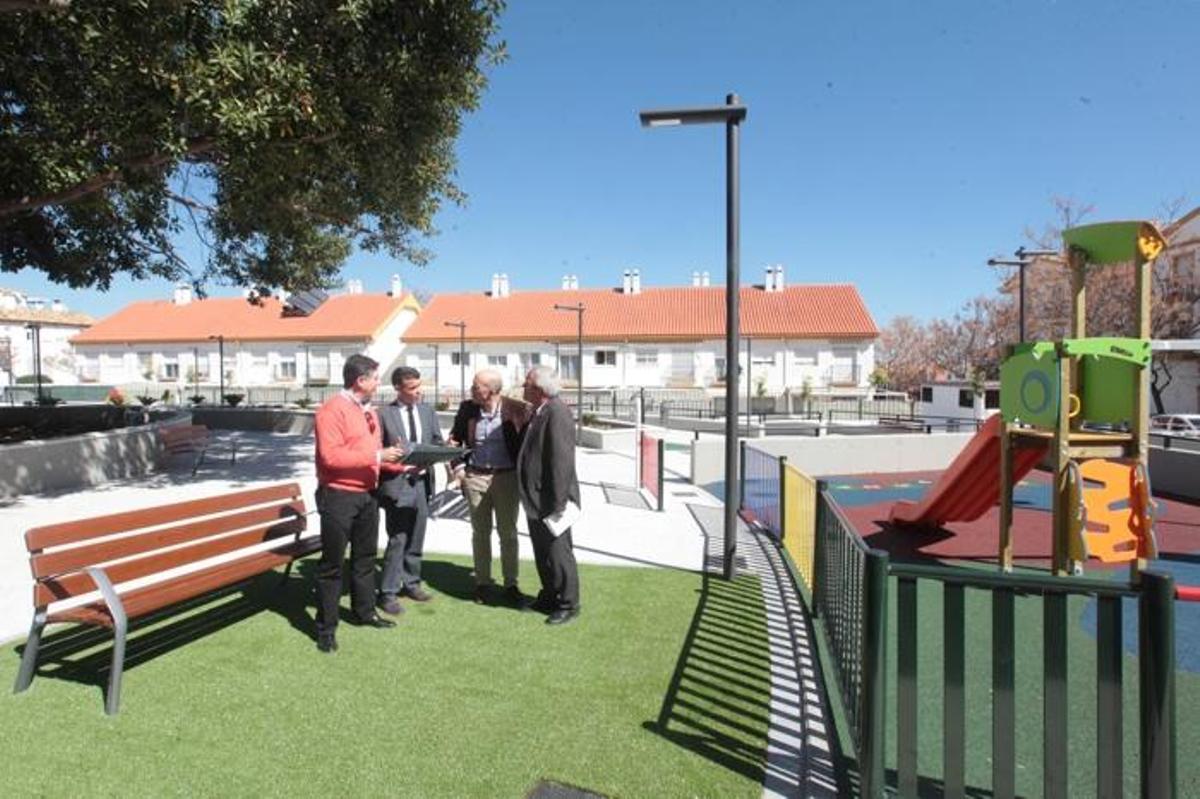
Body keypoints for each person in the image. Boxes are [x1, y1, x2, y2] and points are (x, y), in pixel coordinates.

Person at [313, 354, 403, 653]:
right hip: (338, 496)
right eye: (375, 378)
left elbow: (369, 456)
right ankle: (326, 628)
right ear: (360, 380)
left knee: (365, 558)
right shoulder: (331, 410)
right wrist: (378, 456)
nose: (379, 383)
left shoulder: (368, 411)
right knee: (332, 565)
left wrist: (401, 462)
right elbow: (331, 457)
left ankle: (364, 612)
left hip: (367, 495)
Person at [447, 368, 532, 606]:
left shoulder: (515, 409)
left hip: (506, 478)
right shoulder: (468, 409)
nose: (471, 390)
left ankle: (511, 584)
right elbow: (454, 440)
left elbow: (526, 443)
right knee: (480, 533)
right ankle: (483, 583)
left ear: (492, 390)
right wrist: (459, 469)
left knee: (508, 533)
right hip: (475, 477)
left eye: (476, 387)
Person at [516, 366, 581, 625]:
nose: (523, 387)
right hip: (536, 497)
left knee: (558, 553)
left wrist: (558, 502)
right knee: (542, 551)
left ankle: (568, 603)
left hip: (551, 500)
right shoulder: (540, 411)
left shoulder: (557, 412)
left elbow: (561, 461)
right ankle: (549, 595)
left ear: (539, 389)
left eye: (526, 384)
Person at [376, 366, 443, 613]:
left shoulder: (427, 411)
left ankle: (412, 583)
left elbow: (436, 441)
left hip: (422, 483)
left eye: (419, 386)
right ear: (398, 388)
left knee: (417, 535)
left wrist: (445, 448)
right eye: (412, 388)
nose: (418, 391)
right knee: (398, 538)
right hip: (398, 484)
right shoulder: (384, 414)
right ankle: (388, 592)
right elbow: (377, 451)